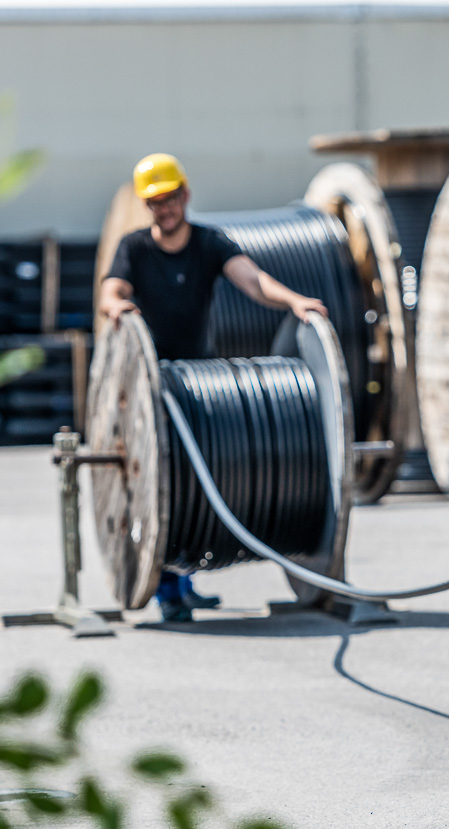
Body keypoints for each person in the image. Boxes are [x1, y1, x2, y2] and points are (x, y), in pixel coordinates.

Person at [99, 153, 328, 623]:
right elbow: (112, 289)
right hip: (153, 387)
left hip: (198, 383)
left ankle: (183, 580)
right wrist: (115, 306)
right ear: (148, 206)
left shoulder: (207, 244)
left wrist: (295, 302)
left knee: (194, 488)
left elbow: (253, 281)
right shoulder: (135, 248)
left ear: (185, 195)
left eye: (170, 198)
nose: (164, 209)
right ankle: (167, 589)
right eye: (155, 202)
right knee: (163, 486)